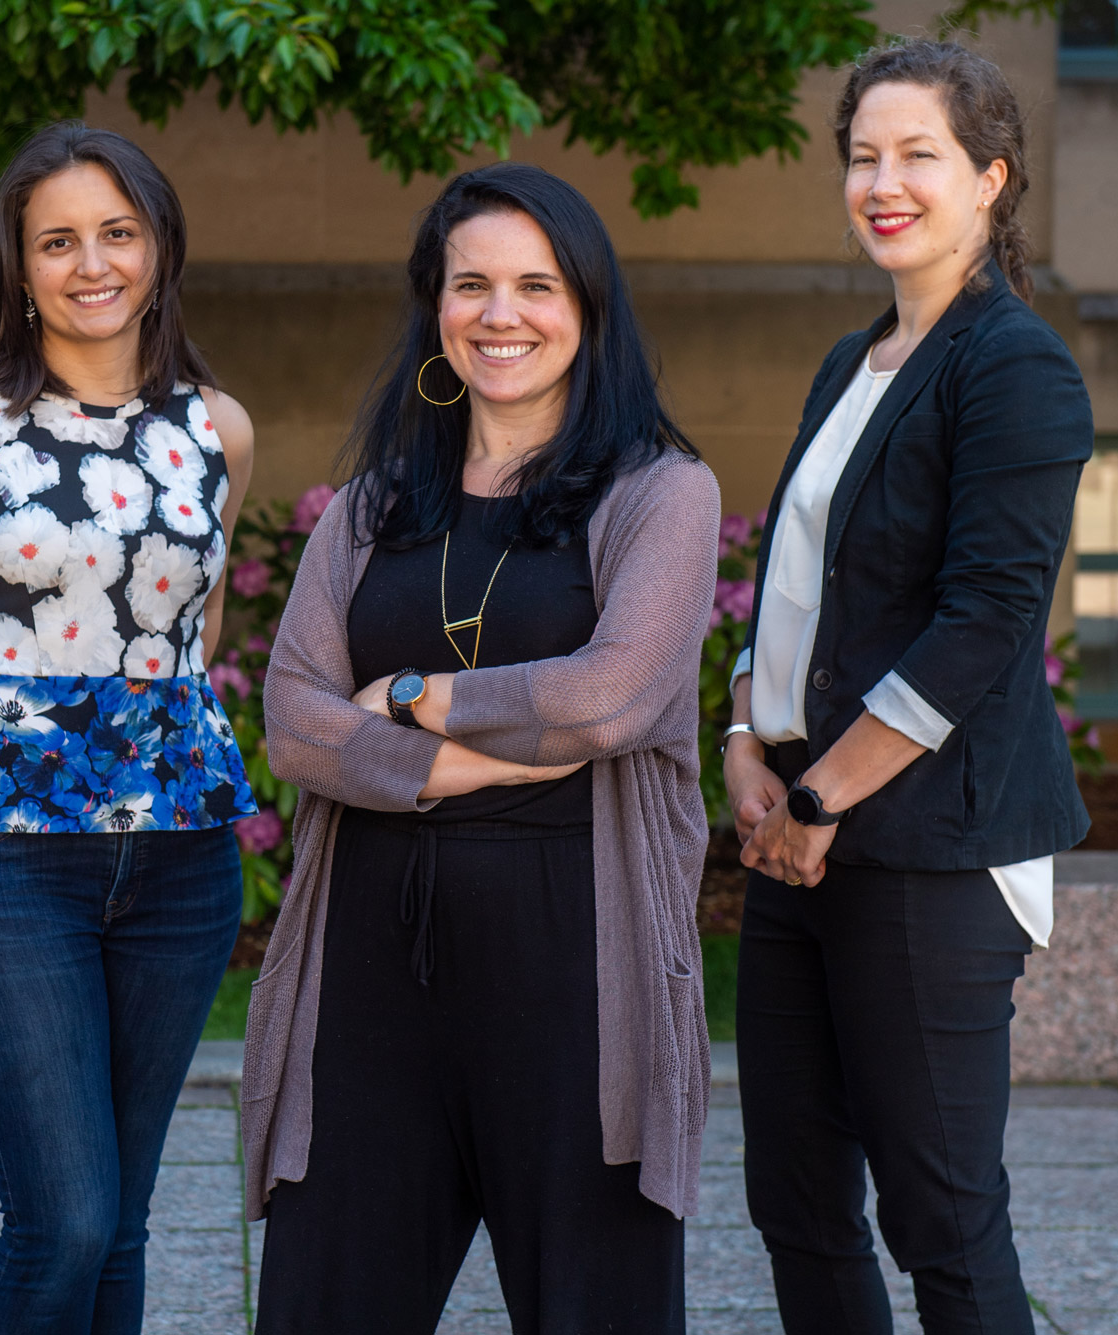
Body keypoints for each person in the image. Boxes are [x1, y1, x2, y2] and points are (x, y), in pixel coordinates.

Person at [242, 161, 719, 1335]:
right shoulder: (371, 508)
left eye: (535, 285)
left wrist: (403, 695)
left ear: (588, 311)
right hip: (365, 992)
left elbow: (607, 701)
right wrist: (481, 751)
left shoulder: (660, 493)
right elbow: (294, 717)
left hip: (574, 994)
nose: (500, 315)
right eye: (470, 286)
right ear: (434, 309)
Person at [0, 122, 256, 1333]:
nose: (92, 264)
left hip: (181, 859)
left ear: (160, 247)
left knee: (122, 1225)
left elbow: (198, 630)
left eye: (117, 234)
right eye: (58, 241)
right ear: (16, 267)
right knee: (65, 1220)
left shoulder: (214, 428)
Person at [721, 39, 1092, 1335]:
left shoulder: (1015, 365)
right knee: (798, 1202)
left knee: (942, 1214)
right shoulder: (852, 360)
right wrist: (741, 734)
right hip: (803, 837)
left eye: (918, 154)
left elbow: (984, 619)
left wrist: (817, 794)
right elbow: (795, 583)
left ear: (992, 177)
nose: (884, 180)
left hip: (929, 853)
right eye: (863, 155)